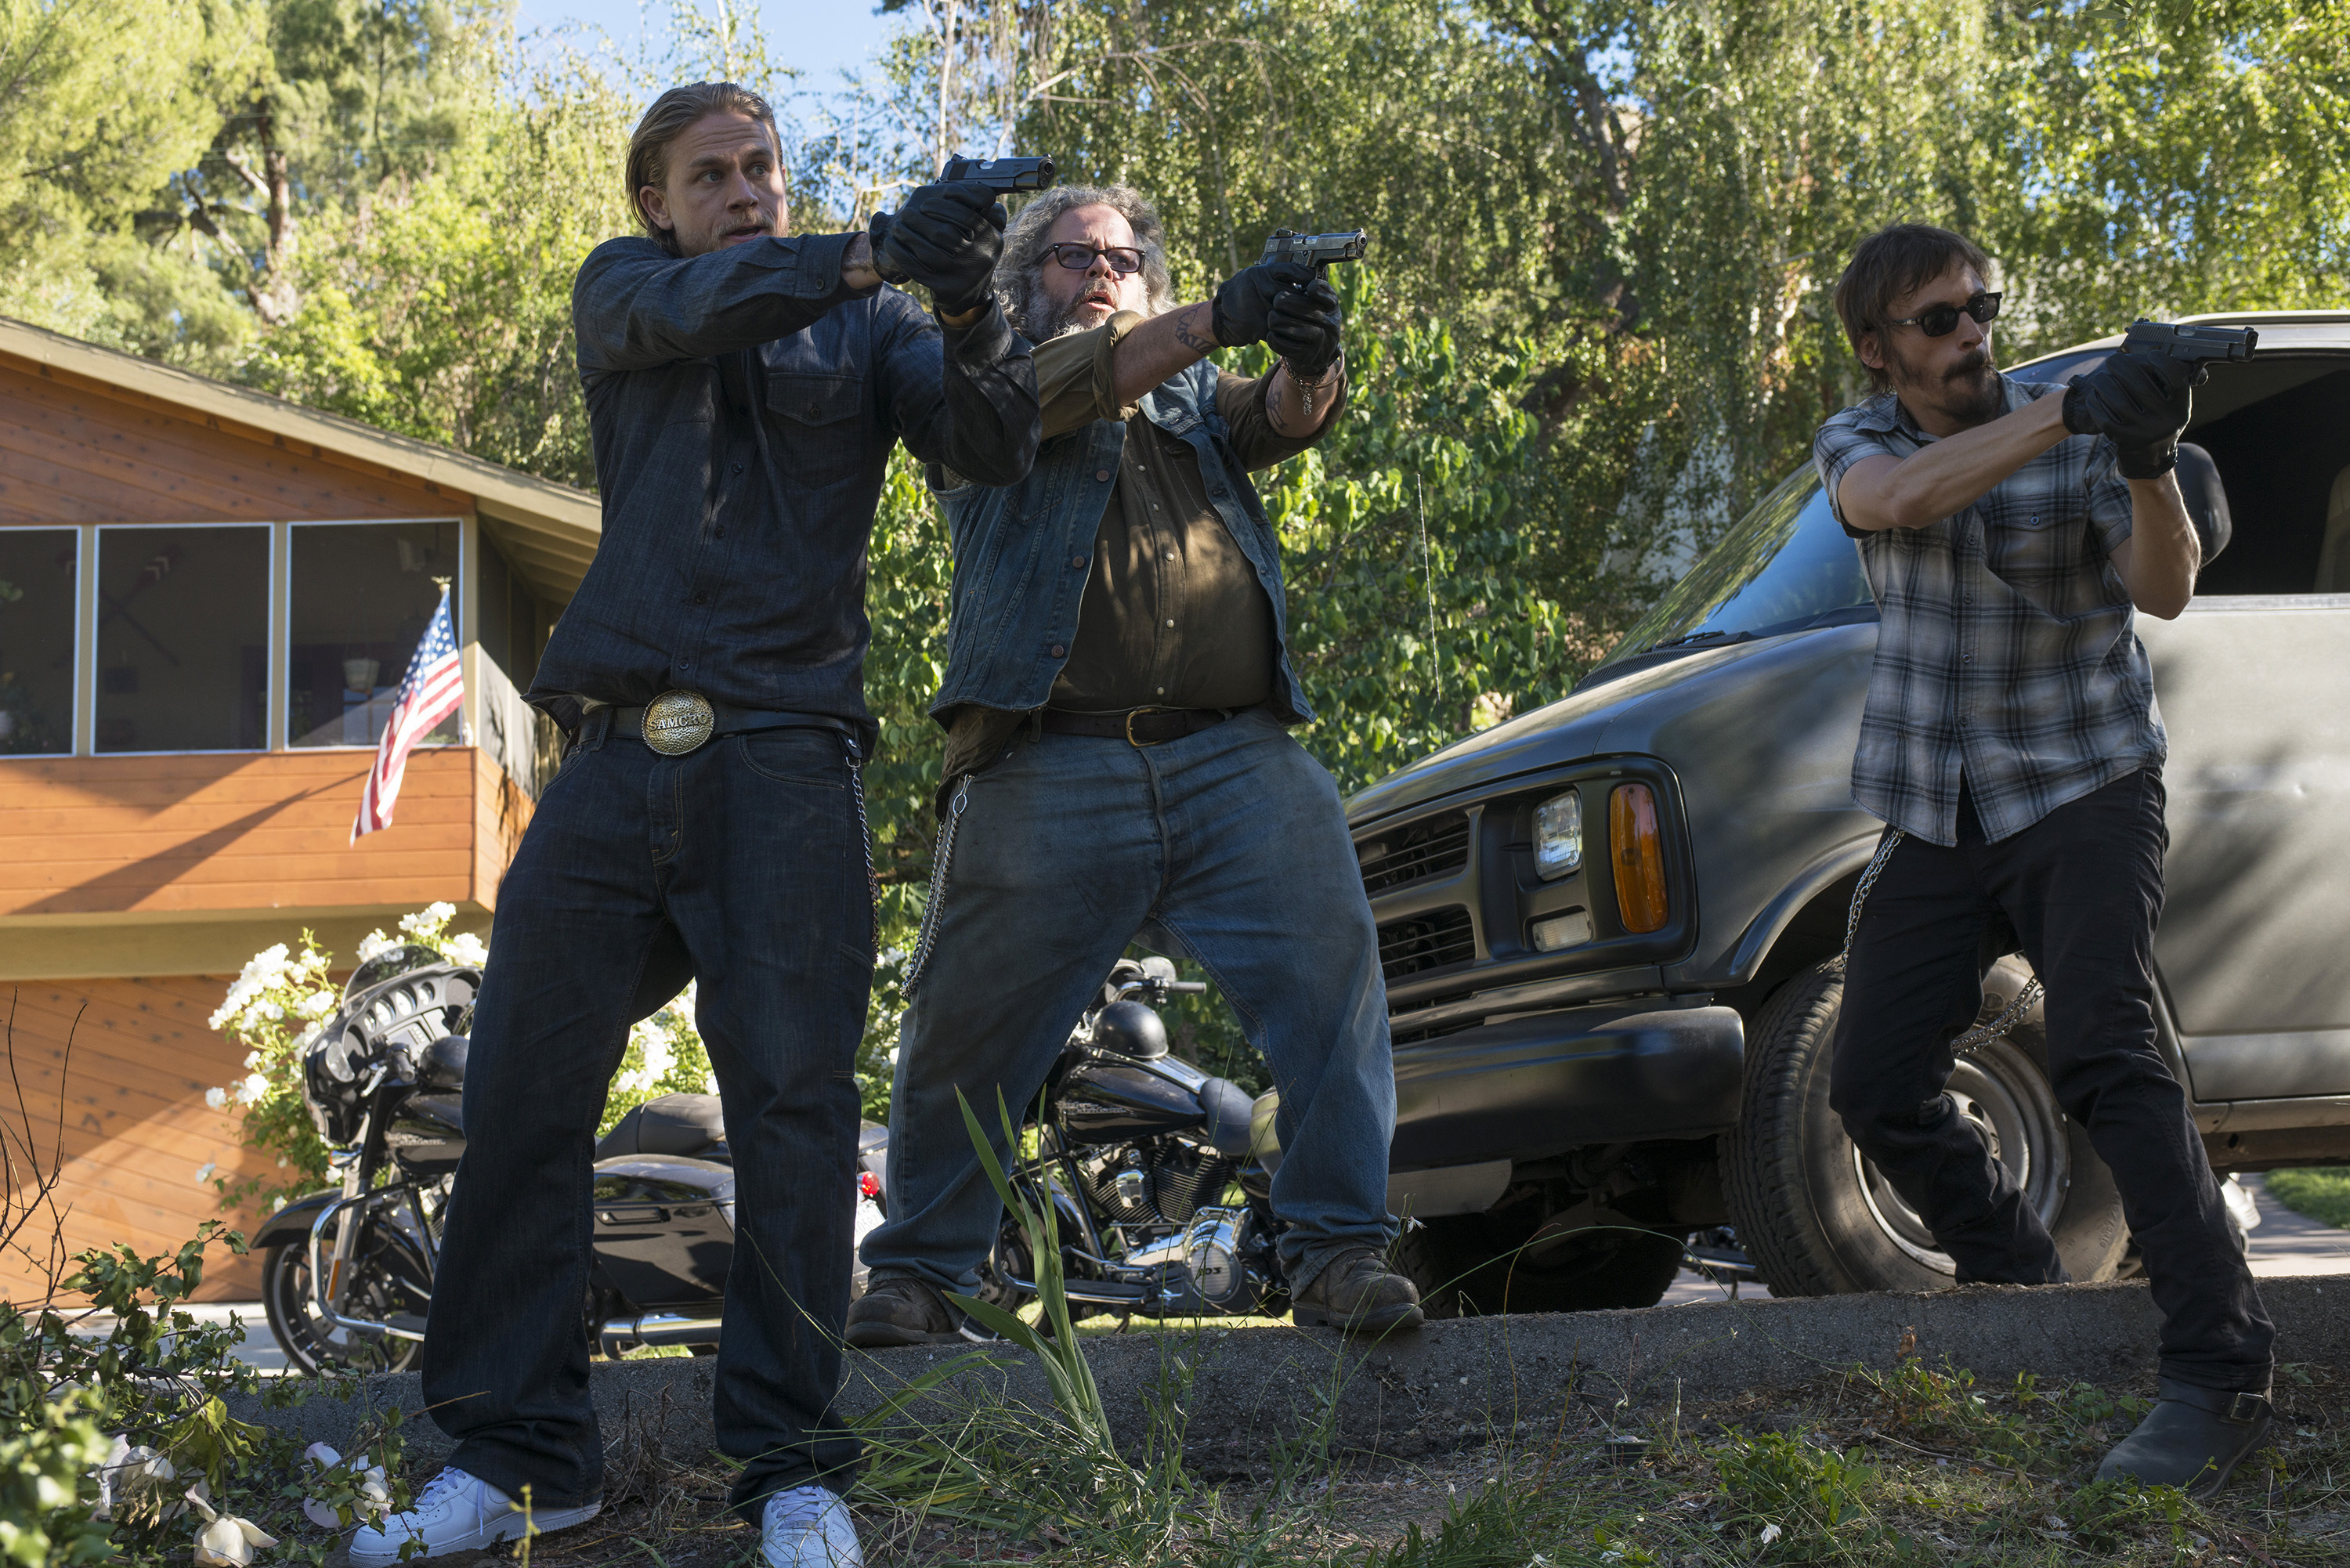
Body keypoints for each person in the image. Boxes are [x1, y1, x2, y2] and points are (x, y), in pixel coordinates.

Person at [351, 82, 1038, 1567]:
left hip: (789, 755)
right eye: (712, 173)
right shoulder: (628, 287)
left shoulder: (880, 330)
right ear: (655, 200)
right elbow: (698, 308)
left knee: (792, 1108)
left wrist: (969, 298)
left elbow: (987, 448)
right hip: (611, 754)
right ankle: (526, 1456)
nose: (746, 191)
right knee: (522, 1087)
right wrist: (867, 248)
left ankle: (792, 1468)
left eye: (764, 169)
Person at [845, 183, 1423, 1349]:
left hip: (1235, 755)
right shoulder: (984, 387)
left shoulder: (1194, 399)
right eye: (1068, 255)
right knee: (967, 1022)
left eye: (1120, 256)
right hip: (1049, 758)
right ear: (1023, 283)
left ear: (1150, 283)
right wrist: (1224, 310)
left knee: (1332, 981)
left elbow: (1285, 415)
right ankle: (917, 1275)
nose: (1099, 269)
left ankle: (1338, 1253)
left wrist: (1312, 355)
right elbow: (1068, 388)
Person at [1816, 223, 2275, 1496]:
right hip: (1935, 803)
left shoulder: (2076, 435)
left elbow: (2165, 588)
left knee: (2106, 1050)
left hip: (2084, 783)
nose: (1972, 333)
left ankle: (2220, 1367)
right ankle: (2019, 1280)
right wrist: (2076, 406)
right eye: (1940, 319)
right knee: (1873, 1083)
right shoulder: (1859, 445)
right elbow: (1903, 502)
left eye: (1982, 307)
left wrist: (2137, 457)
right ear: (1878, 349)